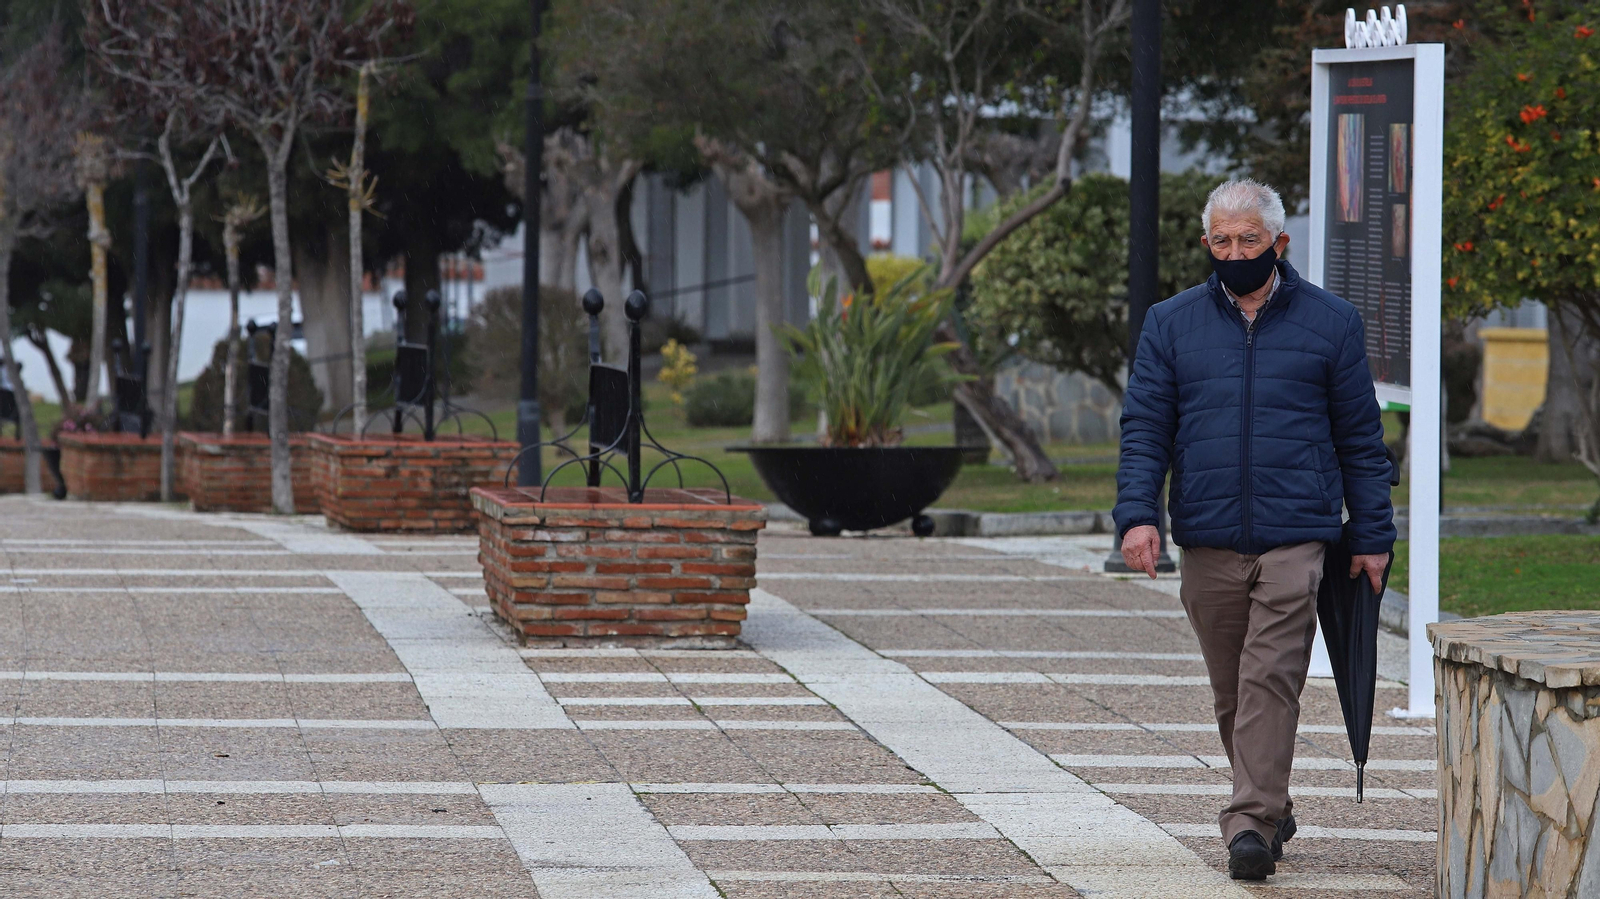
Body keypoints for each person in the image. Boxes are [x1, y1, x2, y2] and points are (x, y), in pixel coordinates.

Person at [1113, 178, 1395, 881]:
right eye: (1223, 241)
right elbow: (1145, 429)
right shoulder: (1170, 323)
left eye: (1249, 240)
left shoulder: (1331, 323)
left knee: (1271, 674)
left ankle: (1249, 823)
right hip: (1207, 534)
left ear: (1279, 242)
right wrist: (1138, 515)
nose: (1235, 251)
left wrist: (1371, 535)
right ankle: (1269, 799)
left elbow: (1362, 440)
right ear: (1206, 243)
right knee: (1233, 688)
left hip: (1297, 532)